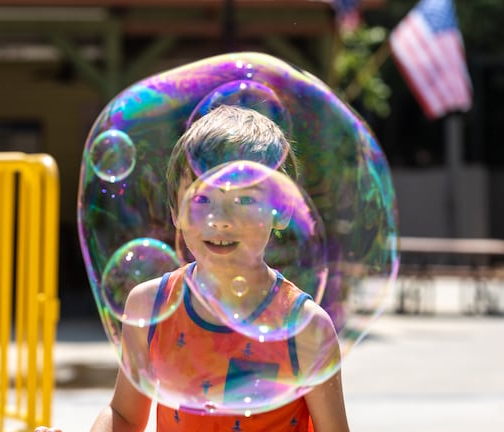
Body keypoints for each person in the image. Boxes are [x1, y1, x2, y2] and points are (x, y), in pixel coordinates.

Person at [36, 105, 350, 432]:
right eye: (201, 200)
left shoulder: (306, 327)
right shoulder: (149, 307)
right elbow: (126, 416)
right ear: (176, 211)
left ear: (281, 209)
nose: (220, 219)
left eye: (244, 199)